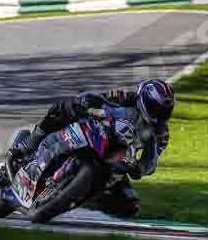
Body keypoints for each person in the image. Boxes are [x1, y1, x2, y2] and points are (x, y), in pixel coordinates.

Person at [10, 79, 176, 217]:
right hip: (99, 133)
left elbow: (150, 162)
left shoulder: (161, 134)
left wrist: (138, 168)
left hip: (118, 159)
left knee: (130, 207)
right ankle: (29, 144)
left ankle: (72, 198)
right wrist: (84, 102)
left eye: (164, 111)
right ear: (143, 98)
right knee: (61, 110)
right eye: (155, 107)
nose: (158, 114)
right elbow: (96, 97)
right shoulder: (126, 97)